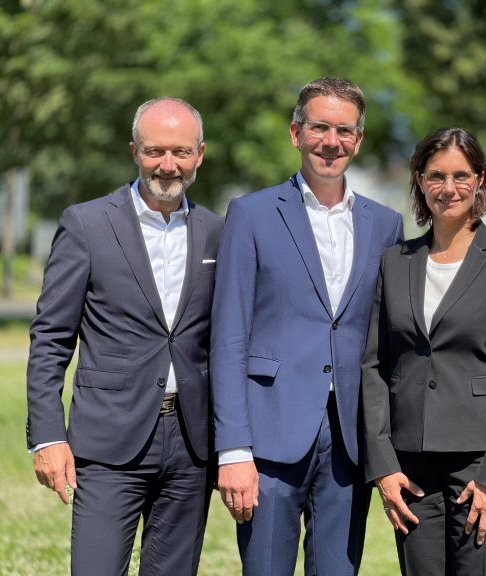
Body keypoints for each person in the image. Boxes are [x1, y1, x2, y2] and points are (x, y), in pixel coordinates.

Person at [210, 77, 404, 576]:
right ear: (296, 133)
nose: (331, 141)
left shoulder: (386, 225)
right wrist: (233, 449)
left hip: (349, 439)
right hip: (269, 437)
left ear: (358, 141)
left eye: (344, 130)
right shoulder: (250, 214)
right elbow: (228, 338)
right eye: (319, 127)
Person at [26, 97, 223, 576]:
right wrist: (47, 436)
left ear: (200, 154)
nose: (168, 164)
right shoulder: (87, 224)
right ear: (134, 150)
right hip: (107, 440)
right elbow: (51, 337)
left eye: (180, 151)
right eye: (155, 151)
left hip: (192, 444)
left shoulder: (219, 231)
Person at [361, 127, 486, 575]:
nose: (449, 188)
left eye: (461, 175)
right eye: (436, 176)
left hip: (485, 462)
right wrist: (383, 466)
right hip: (411, 468)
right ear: (420, 181)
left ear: (480, 180)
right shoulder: (394, 261)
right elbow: (374, 366)